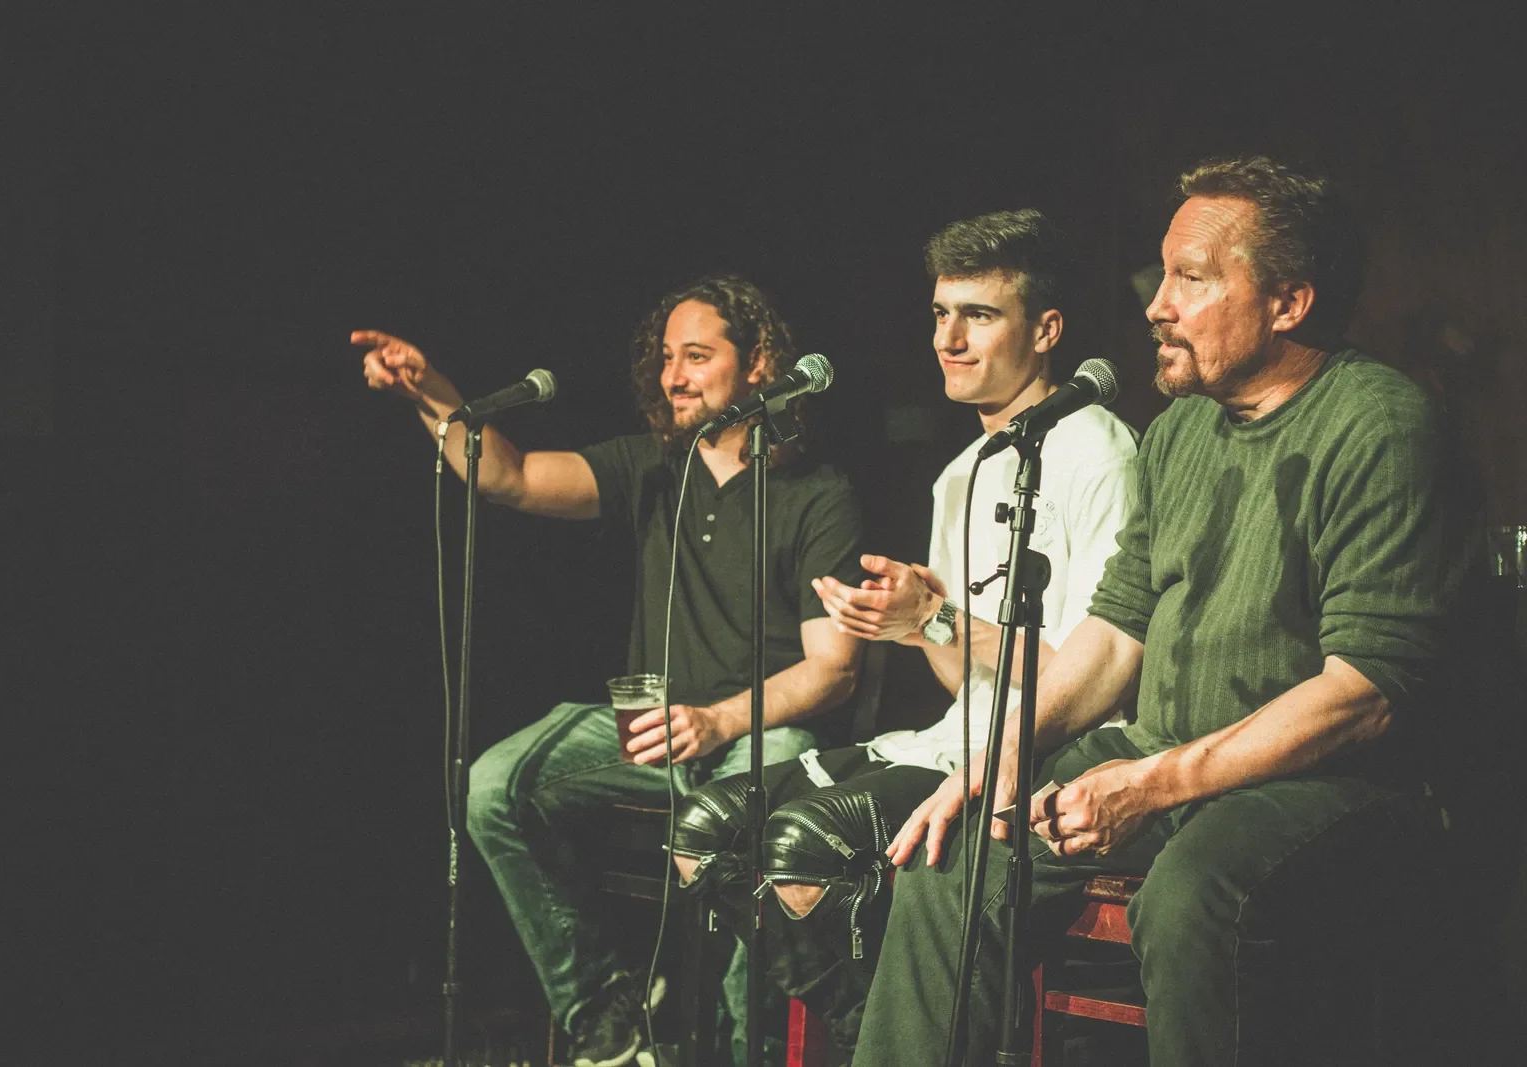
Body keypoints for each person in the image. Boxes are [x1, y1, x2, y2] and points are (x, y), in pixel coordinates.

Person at [854, 157, 1483, 1067]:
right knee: (956, 856)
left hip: (1330, 783)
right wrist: (999, 757)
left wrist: (1154, 783)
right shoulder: (1180, 431)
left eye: (1192, 278)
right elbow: (1113, 633)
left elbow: (1365, 694)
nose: (1157, 304)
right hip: (1172, 752)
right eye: (1163, 275)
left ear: (1289, 302)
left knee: (1193, 892)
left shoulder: (1380, 424)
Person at [355, 275, 867, 1067]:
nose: (674, 375)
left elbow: (833, 668)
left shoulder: (816, 493)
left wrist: (722, 719)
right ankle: (608, 1009)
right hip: (653, 735)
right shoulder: (652, 467)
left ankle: (740, 1050)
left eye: (697, 355)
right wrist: (435, 393)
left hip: (753, 741)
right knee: (493, 785)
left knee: (772, 772)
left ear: (758, 361)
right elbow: (510, 476)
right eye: (667, 358)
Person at [668, 210, 1138, 1064]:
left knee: (800, 848)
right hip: (949, 739)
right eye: (938, 314)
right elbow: (968, 680)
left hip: (1051, 756)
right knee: (704, 832)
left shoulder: (1097, 449)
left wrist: (937, 619)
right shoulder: (957, 475)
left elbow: (1095, 671)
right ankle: (870, 1029)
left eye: (978, 315)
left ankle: (880, 1041)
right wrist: (912, 622)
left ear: (1046, 331)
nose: (948, 339)